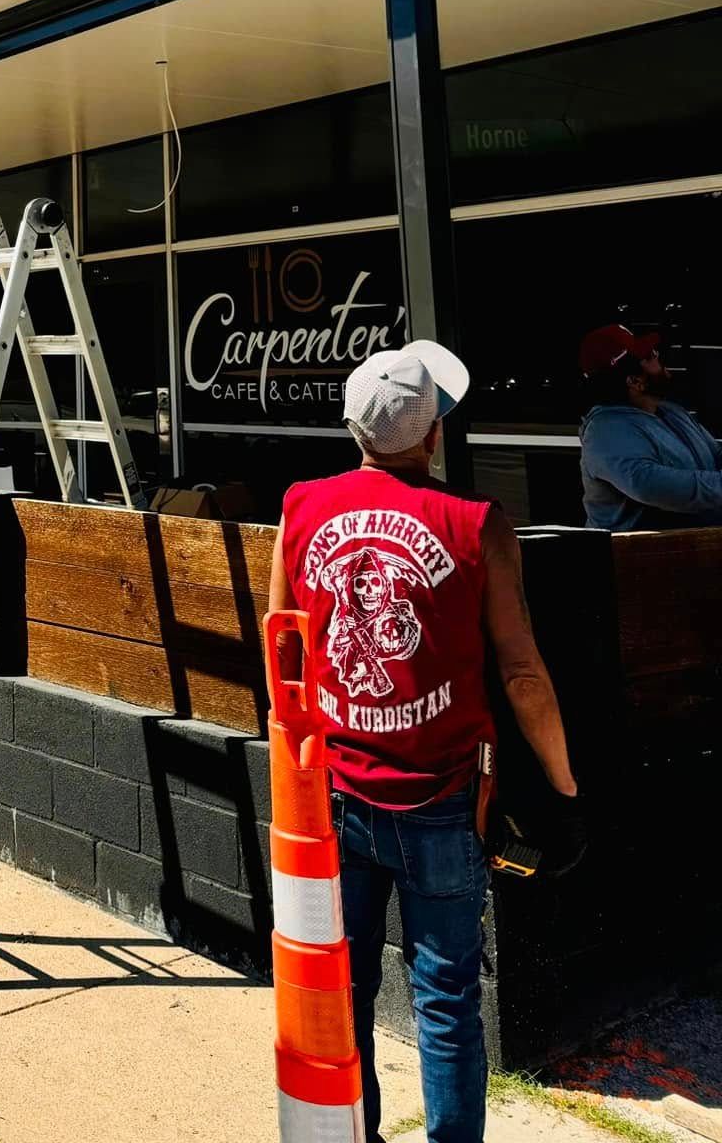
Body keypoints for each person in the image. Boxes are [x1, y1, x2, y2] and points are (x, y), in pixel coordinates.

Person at [267, 342, 581, 1143]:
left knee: (348, 990)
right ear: (433, 434)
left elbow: (284, 658)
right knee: (445, 1002)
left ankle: (356, 1132)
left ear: (352, 428)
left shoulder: (300, 507)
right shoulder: (479, 523)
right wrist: (565, 784)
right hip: (446, 802)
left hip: (336, 794)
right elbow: (522, 673)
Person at [578, 323, 722, 531]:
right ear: (634, 380)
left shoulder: (671, 412)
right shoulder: (606, 431)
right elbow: (651, 485)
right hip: (637, 558)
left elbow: (715, 454)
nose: (658, 357)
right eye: (649, 356)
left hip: (690, 551)